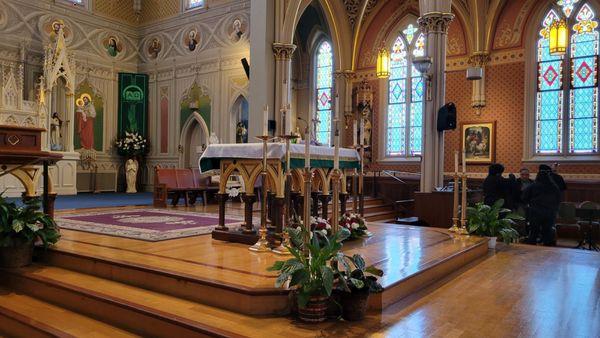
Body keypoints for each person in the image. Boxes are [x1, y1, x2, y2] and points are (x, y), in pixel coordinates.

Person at [522, 169, 561, 246]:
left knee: (534, 231)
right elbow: (558, 198)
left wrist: (530, 203)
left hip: (535, 211)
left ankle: (532, 246)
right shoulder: (554, 186)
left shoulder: (533, 185)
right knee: (547, 230)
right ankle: (547, 247)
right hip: (550, 212)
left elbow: (524, 197)